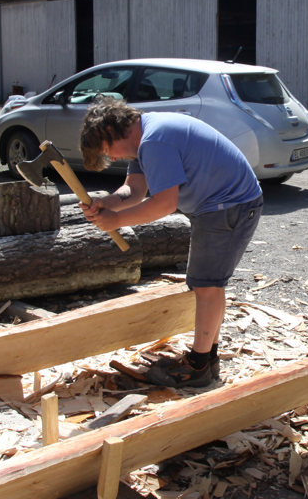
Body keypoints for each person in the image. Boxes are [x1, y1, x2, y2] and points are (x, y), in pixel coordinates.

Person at [79, 97, 264, 388]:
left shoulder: (154, 141)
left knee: (206, 285)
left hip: (228, 206)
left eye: (107, 150)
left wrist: (116, 221)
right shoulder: (146, 135)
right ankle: (207, 359)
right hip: (225, 204)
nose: (112, 158)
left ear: (113, 132)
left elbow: (165, 203)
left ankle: (198, 367)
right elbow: (135, 190)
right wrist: (107, 204)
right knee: (209, 285)